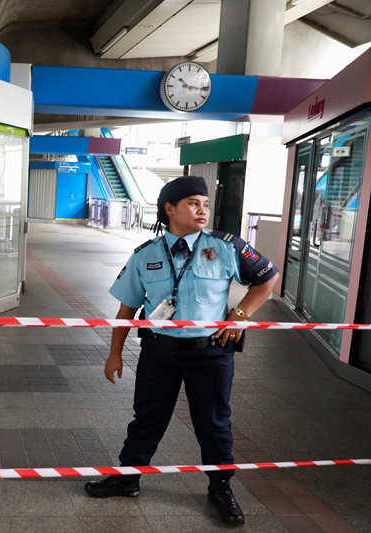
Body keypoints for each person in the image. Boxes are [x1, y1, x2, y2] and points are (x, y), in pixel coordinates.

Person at [85, 176, 279, 527]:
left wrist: (239, 314)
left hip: (212, 353)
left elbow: (266, 278)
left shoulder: (226, 246)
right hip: (160, 352)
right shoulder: (145, 255)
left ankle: (220, 487)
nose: (202, 210)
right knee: (147, 417)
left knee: (214, 423)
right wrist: (114, 353)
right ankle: (128, 477)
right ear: (170, 209)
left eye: (205, 203)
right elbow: (127, 309)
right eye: (193, 203)